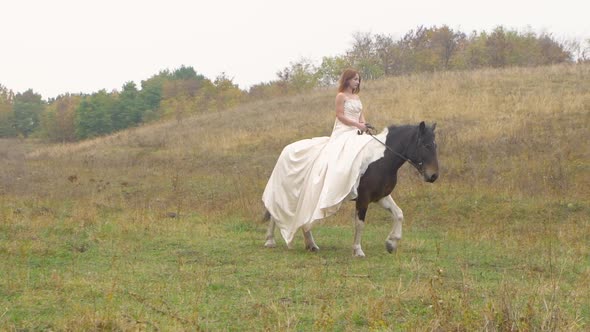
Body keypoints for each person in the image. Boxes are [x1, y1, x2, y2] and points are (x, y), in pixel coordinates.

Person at [262, 69, 379, 246]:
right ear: (347, 80)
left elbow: (361, 116)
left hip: (357, 131)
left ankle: (358, 186)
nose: (357, 82)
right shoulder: (341, 96)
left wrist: (364, 126)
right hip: (343, 131)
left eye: (358, 80)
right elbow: (340, 116)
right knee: (342, 155)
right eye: (355, 79)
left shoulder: (357, 98)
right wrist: (357, 124)